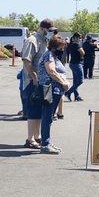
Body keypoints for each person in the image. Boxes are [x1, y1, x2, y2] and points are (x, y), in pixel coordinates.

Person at [21, 19, 56, 148]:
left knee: (40, 111)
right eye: (49, 30)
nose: (51, 33)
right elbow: (26, 60)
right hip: (32, 81)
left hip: (42, 81)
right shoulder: (32, 40)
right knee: (33, 110)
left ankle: (37, 137)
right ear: (42, 29)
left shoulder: (44, 41)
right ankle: (30, 139)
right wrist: (33, 76)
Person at [37, 36, 70, 154]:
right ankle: (45, 144)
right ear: (55, 47)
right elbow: (51, 71)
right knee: (47, 117)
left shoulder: (53, 56)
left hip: (54, 90)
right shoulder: (49, 55)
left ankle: (47, 142)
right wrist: (63, 82)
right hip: (49, 89)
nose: (62, 50)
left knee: (49, 117)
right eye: (61, 47)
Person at [66, 32, 85, 102]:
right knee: (80, 81)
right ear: (75, 38)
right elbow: (83, 52)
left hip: (73, 63)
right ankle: (68, 92)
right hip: (77, 64)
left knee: (75, 81)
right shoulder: (76, 44)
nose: (80, 39)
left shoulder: (71, 44)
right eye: (79, 38)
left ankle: (76, 96)